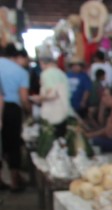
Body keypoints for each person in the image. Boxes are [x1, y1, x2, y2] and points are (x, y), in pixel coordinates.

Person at [0, 45, 29, 191]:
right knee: (14, 144)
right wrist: (28, 110)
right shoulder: (20, 71)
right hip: (12, 109)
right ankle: (14, 181)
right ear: (17, 56)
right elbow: (24, 98)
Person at [30, 56, 71, 137]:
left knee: (50, 138)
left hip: (52, 113)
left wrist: (38, 98)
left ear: (42, 63)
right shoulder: (61, 73)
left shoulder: (46, 74)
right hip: (64, 111)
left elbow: (52, 94)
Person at [86, 87, 112, 153]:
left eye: (105, 96)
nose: (102, 99)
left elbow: (108, 133)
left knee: (91, 141)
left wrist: (90, 135)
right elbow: (103, 126)